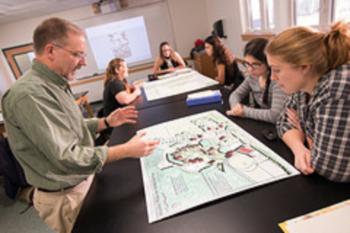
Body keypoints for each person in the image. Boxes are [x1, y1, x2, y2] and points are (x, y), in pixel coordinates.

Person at [1, 17, 159, 233]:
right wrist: (126, 150)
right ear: (50, 51)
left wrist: (105, 121)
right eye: (77, 54)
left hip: (83, 180)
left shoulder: (54, 83)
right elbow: (66, 157)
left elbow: (69, 125)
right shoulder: (29, 95)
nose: (84, 62)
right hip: (67, 196)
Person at [266, 21, 350, 182]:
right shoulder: (305, 82)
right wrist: (299, 147)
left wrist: (303, 127)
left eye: (277, 70)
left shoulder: (337, 87)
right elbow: (283, 121)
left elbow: (330, 168)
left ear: (304, 67)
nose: (272, 78)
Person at [226, 38, 287, 123]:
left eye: (255, 64)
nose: (250, 69)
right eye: (247, 64)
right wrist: (236, 107)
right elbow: (236, 94)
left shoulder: (277, 81)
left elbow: (275, 115)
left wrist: (244, 111)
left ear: (268, 63)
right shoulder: (253, 77)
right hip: (262, 122)